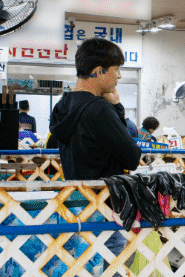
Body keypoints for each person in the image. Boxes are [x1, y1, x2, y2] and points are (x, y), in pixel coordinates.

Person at [46, 38, 141, 180]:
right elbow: (132, 159)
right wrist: (117, 107)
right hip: (103, 197)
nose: (119, 75)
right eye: (116, 69)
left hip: (75, 195)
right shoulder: (98, 109)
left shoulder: (63, 105)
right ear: (99, 72)